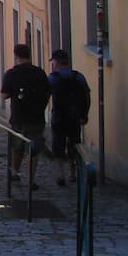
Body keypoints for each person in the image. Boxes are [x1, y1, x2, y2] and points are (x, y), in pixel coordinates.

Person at [0, 43, 50, 189]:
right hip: (36, 116)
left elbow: (4, 95)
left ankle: (15, 172)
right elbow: (47, 93)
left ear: (16, 56)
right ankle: (31, 179)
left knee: (17, 147)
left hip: (18, 116)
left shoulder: (12, 73)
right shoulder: (39, 73)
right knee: (33, 150)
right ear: (30, 55)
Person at [48, 50, 91, 187]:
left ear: (56, 62)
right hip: (74, 116)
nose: (53, 64)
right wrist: (84, 114)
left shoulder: (53, 77)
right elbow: (86, 96)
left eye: (53, 61)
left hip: (59, 116)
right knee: (74, 144)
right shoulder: (78, 76)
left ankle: (61, 174)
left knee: (58, 146)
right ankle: (73, 173)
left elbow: (45, 94)